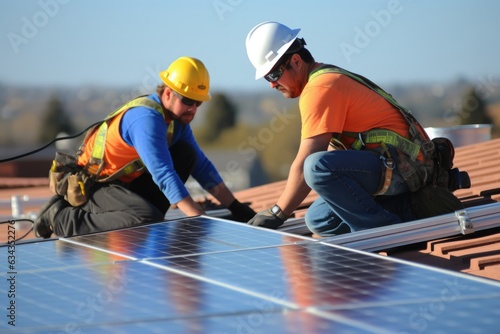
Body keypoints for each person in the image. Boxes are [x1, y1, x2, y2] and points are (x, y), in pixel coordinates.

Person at [245, 21, 466, 236]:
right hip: (391, 167)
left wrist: (277, 212)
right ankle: (411, 208)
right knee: (319, 219)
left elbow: (307, 162)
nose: (272, 84)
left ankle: (383, 232)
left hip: (407, 168)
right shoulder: (322, 79)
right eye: (267, 77)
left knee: (315, 167)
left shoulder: (320, 87)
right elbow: (336, 156)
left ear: (295, 60)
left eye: (273, 74)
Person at [34, 56, 256, 238]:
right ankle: (62, 217)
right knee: (145, 218)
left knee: (186, 154)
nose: (193, 109)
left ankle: (138, 211)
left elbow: (201, 165)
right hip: (96, 185)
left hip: (125, 185)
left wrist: (235, 206)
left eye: (198, 103)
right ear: (168, 93)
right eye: (188, 101)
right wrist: (197, 216)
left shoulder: (176, 122)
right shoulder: (146, 119)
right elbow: (163, 173)